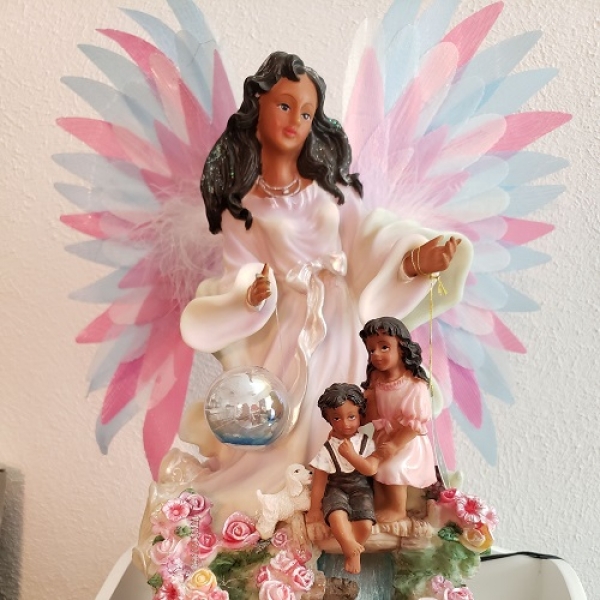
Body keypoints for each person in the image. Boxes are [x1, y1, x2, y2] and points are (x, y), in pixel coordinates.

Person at [178, 51, 472, 523]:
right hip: (287, 322)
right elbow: (240, 270)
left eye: (307, 112)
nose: (295, 120)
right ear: (257, 105)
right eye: (285, 105)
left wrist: (415, 261)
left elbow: (367, 242)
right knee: (292, 415)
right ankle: (297, 499)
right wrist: (250, 292)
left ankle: (361, 493)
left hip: (341, 315)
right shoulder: (243, 207)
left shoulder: (333, 190)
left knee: (352, 396)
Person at [359, 316, 437, 524]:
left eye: (384, 347)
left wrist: (394, 445)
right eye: (371, 350)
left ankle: (397, 508)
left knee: (393, 468)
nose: (376, 354)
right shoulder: (376, 380)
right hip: (384, 436)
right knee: (374, 468)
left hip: (406, 442)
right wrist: (368, 402)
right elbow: (374, 416)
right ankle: (380, 503)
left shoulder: (414, 385)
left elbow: (414, 426)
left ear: (402, 348)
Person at [306, 383, 378, 574]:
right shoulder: (328, 448)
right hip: (336, 488)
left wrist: (351, 455)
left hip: (361, 488)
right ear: (329, 419)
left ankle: (353, 552)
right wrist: (314, 509)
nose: (345, 424)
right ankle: (348, 546)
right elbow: (319, 481)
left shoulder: (366, 443)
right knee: (337, 516)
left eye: (351, 417)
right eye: (337, 418)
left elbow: (371, 471)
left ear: (360, 415)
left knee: (366, 524)